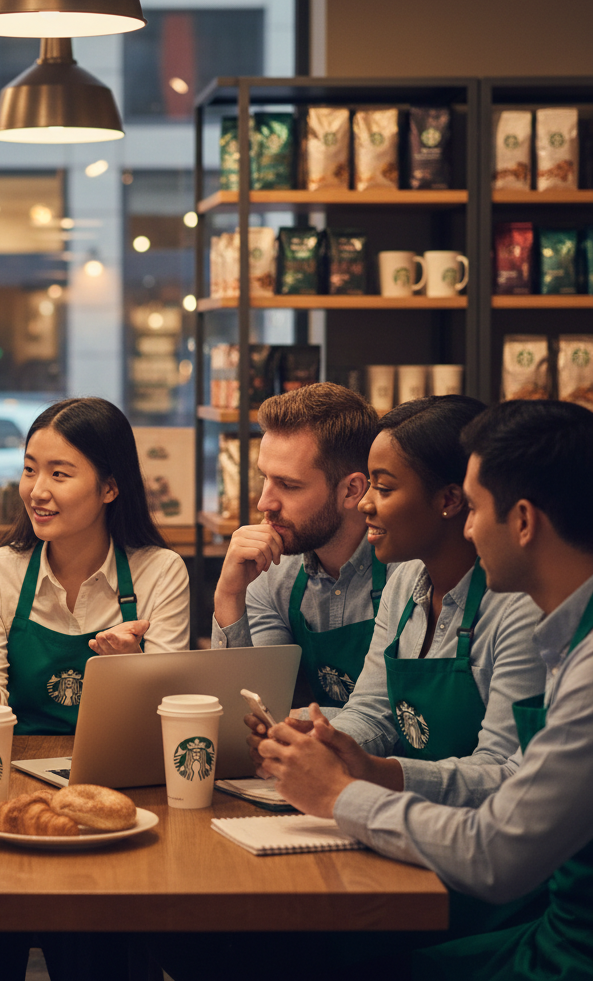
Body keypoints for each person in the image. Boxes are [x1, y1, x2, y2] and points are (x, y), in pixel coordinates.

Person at [260, 399, 593, 980]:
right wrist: (339, 748)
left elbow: (498, 850)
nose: (467, 527)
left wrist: (341, 793)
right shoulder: (562, 632)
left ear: (523, 521)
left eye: (476, 509)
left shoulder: (566, 649)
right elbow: (373, 708)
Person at [245, 396, 546, 798]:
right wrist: (320, 741)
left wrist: (374, 772)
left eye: (383, 488)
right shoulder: (406, 582)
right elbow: (372, 712)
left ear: (451, 500)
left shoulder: (519, 606)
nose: (365, 503)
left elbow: (507, 771)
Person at [0, 396, 190, 735]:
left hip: (119, 771)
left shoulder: (160, 572)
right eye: (30, 470)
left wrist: (131, 665)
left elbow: (171, 721)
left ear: (109, 488)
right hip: (16, 771)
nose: (36, 491)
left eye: (59, 474)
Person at [212, 382, 387, 708]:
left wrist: (291, 727)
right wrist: (228, 596)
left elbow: (384, 720)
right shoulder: (272, 570)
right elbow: (254, 707)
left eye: (288, 485)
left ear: (352, 491)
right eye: (265, 478)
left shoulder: (406, 568)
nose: (265, 503)